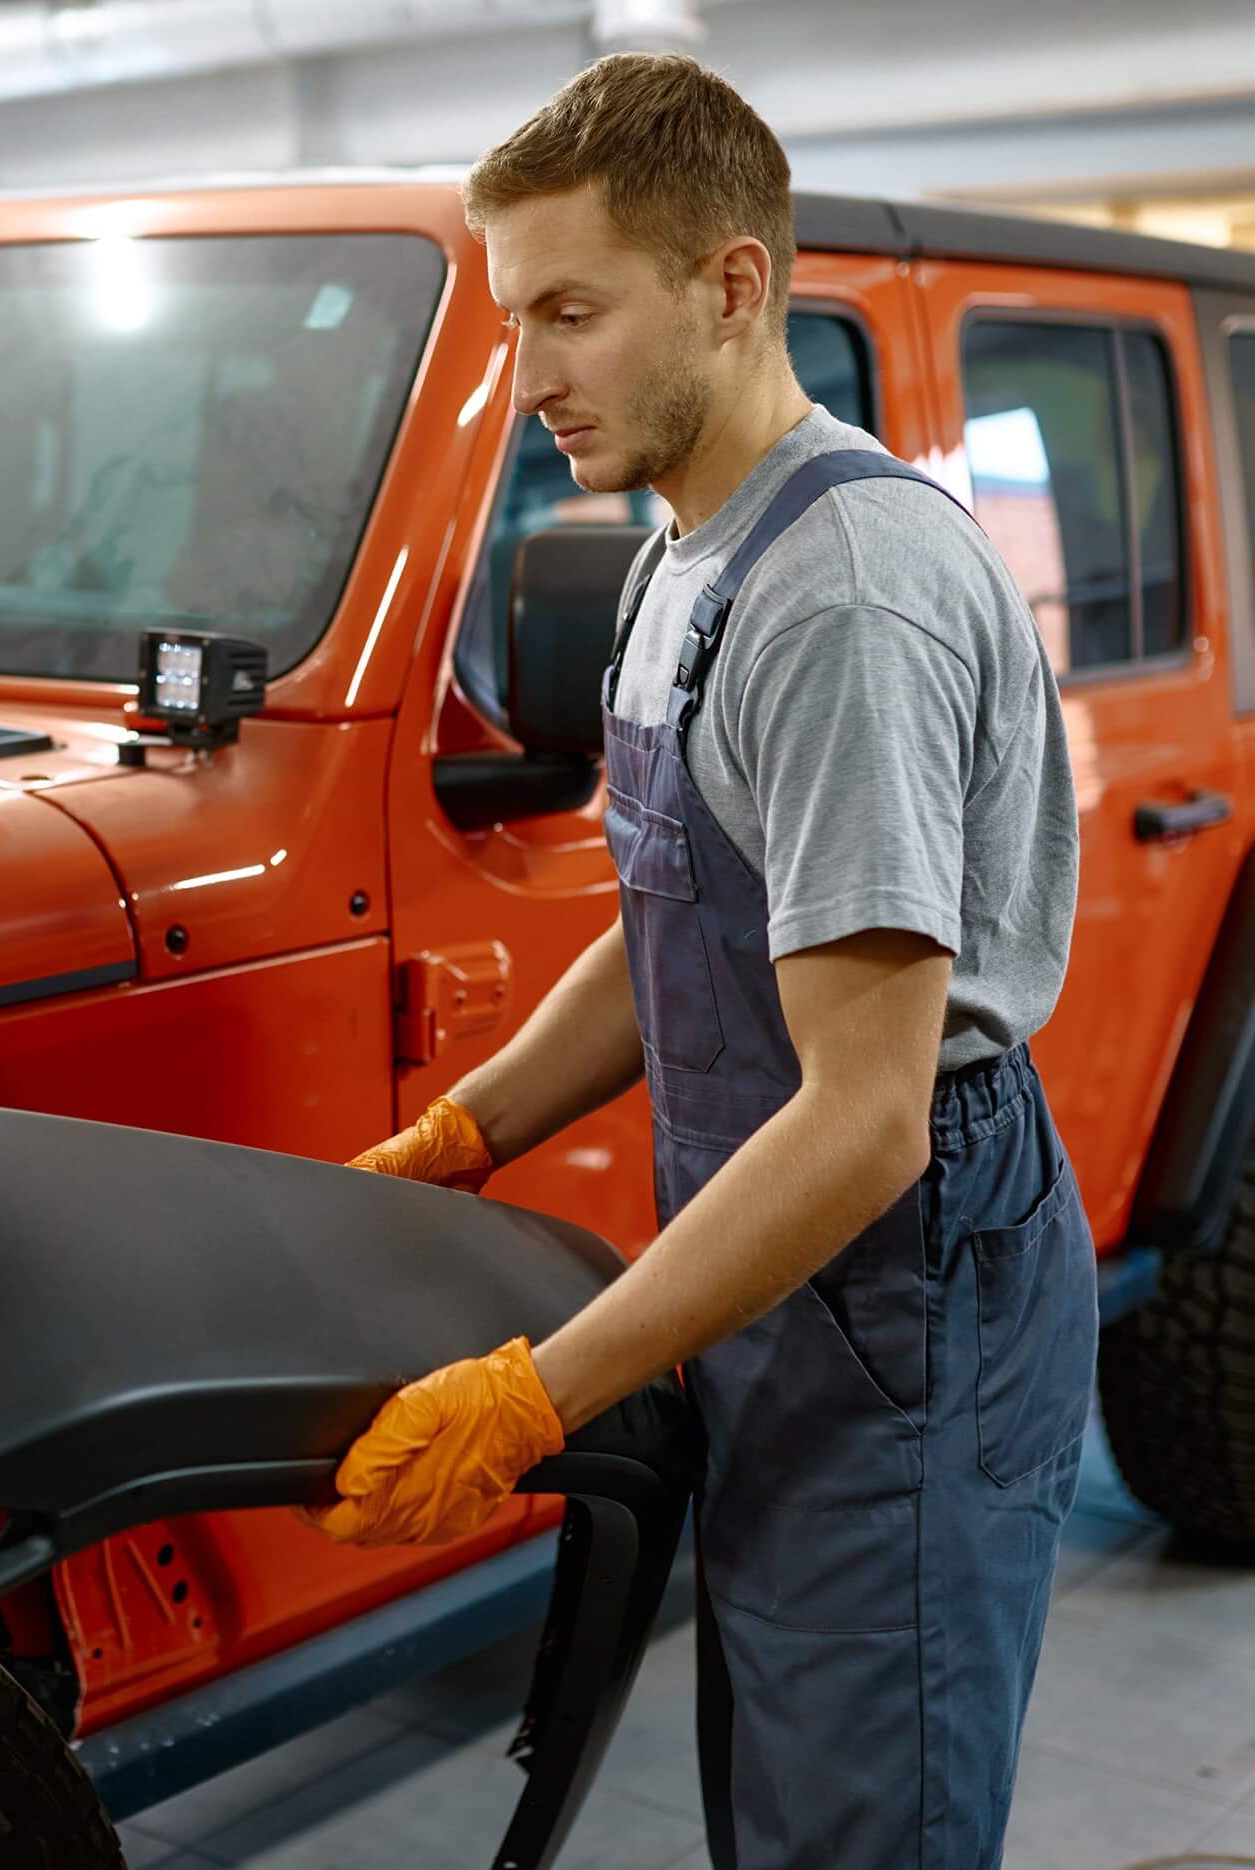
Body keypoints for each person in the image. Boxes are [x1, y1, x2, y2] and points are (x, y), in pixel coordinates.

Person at [297, 51, 1096, 1870]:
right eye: (517, 318)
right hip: (789, 1264)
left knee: (860, 1813)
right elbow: (680, 910)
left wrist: (537, 1390)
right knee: (794, 1775)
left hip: (903, 1279)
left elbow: (871, 1120)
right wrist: (468, 1131)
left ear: (733, 288)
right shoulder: (680, 556)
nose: (532, 376)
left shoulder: (843, 595)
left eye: (571, 312)